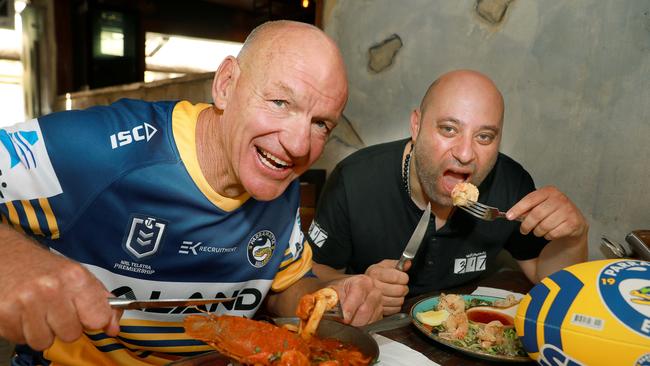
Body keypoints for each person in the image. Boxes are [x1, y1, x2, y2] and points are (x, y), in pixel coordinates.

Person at [0, 20, 383, 365]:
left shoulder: (275, 174)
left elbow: (282, 287)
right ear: (226, 84)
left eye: (320, 124)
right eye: (280, 102)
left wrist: (328, 296)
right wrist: (15, 259)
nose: (299, 146)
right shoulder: (99, 150)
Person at [309, 69, 588, 316]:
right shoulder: (355, 180)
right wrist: (356, 287)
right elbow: (314, 272)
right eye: (448, 129)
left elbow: (548, 280)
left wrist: (575, 239)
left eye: (484, 137)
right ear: (416, 125)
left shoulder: (511, 184)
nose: (466, 154)